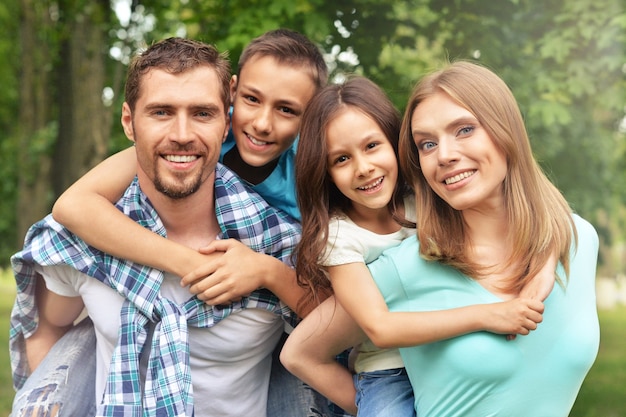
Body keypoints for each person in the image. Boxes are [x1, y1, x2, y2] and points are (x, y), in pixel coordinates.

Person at [10, 37, 305, 417]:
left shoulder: (274, 243)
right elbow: (47, 329)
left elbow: (338, 325)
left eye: (202, 113)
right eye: (161, 112)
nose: (182, 134)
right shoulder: (86, 241)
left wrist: (269, 272)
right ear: (129, 122)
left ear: (226, 122)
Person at [280, 75, 553, 416]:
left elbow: (543, 225)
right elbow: (379, 329)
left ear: (397, 144)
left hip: (446, 353)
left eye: (371, 146)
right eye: (341, 159)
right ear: (325, 172)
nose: (363, 168)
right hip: (389, 372)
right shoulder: (338, 237)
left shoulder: (424, 200)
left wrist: (538, 285)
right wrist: (490, 315)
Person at [366, 61, 600, 416]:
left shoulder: (579, 238)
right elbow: (305, 355)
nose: (443, 155)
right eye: (427, 144)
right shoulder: (401, 268)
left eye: (463, 129)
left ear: (506, 130)